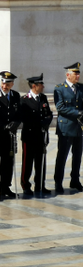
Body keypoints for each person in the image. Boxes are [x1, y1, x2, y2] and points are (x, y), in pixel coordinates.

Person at [0, 71, 22, 201]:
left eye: (8, 83)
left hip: (9, 136)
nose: (5, 85)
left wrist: (16, 123)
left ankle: (5, 187)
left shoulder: (16, 96)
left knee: (8, 162)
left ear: (12, 84)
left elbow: (19, 114)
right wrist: (3, 126)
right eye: (3, 82)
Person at [20, 74, 53, 196]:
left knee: (41, 162)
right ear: (34, 86)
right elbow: (24, 118)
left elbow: (48, 113)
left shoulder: (43, 98)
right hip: (29, 136)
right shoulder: (24, 100)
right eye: (41, 84)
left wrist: (47, 121)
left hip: (41, 135)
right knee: (27, 162)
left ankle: (40, 184)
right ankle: (25, 185)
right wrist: (39, 122)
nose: (43, 86)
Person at [54, 62, 83, 193]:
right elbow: (60, 108)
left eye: (78, 73)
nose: (78, 76)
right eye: (75, 74)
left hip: (78, 128)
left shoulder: (81, 88)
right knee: (62, 156)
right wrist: (78, 113)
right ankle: (58, 182)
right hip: (65, 128)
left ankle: (75, 180)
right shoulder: (59, 89)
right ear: (68, 75)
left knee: (77, 156)